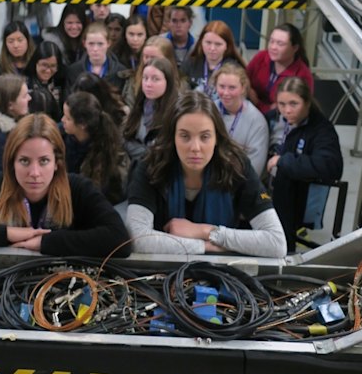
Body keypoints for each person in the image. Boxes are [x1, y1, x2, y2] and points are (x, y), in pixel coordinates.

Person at [0, 113, 131, 258]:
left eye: (43, 161)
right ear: (11, 162)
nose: (34, 173)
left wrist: (46, 242)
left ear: (57, 162)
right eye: (24, 161)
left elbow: (119, 240)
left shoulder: (78, 188)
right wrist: (7, 234)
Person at [127, 90, 287, 257]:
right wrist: (204, 247)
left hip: (223, 273)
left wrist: (205, 231)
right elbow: (136, 238)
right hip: (161, 273)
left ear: (216, 138)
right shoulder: (150, 166)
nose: (195, 147)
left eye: (205, 137)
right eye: (185, 136)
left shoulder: (237, 167)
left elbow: (276, 242)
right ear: (172, 137)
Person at [265, 77, 343, 252]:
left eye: (294, 104)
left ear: (307, 102)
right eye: (282, 104)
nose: (287, 110)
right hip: (264, 190)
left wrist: (283, 160)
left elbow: (331, 166)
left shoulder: (321, 129)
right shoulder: (271, 119)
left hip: (293, 199)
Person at [61, 92, 128, 205]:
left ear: (82, 125)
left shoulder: (105, 151)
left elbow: (97, 196)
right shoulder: (61, 136)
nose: (62, 120)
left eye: (68, 118)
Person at [212, 63, 269, 177]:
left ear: (243, 88)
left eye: (232, 87)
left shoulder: (257, 122)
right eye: (221, 86)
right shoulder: (208, 111)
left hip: (240, 184)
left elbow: (254, 169)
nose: (226, 93)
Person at [123, 58, 179, 168]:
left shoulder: (177, 111)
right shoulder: (139, 104)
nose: (148, 84)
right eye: (145, 78)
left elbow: (167, 151)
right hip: (137, 166)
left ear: (168, 82)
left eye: (155, 79)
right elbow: (126, 137)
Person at [247, 23, 314, 114]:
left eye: (280, 44)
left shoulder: (302, 75)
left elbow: (287, 111)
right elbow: (243, 78)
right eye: (271, 41)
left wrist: (258, 104)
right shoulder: (261, 57)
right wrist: (248, 89)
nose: (273, 47)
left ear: (294, 48)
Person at [181, 20, 245, 96]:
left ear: (226, 46)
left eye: (218, 44)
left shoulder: (235, 68)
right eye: (208, 43)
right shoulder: (191, 62)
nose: (212, 48)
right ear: (201, 42)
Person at [65, 21, 127, 94]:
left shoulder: (120, 72)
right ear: (84, 43)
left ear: (108, 43)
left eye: (100, 44)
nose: (95, 49)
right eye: (91, 44)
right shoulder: (74, 71)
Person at [121, 35, 179, 108]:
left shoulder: (181, 85)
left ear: (167, 58)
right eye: (146, 57)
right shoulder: (132, 80)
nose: (149, 61)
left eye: (153, 57)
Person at [25, 40, 64, 122]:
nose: (48, 70)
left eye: (53, 66)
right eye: (44, 65)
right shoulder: (25, 84)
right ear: (35, 62)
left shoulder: (63, 81)